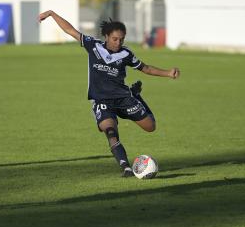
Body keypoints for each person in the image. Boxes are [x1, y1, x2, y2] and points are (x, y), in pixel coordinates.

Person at [38, 10, 180, 177]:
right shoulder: (93, 45)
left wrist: (168, 73)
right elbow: (70, 30)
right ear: (106, 36)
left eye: (121, 39)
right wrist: (51, 14)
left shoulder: (126, 54)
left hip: (124, 98)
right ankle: (126, 168)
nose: (118, 42)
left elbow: (145, 68)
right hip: (102, 100)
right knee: (110, 131)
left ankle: (136, 95)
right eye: (115, 39)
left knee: (150, 127)